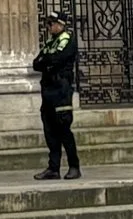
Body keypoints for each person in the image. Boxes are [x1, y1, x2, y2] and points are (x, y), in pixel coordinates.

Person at [33, 12, 81, 180]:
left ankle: (74, 166)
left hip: (61, 90)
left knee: (63, 129)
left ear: (60, 24)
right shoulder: (50, 42)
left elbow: (58, 59)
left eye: (51, 24)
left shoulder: (67, 40)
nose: (49, 27)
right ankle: (53, 168)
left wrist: (47, 61)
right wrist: (47, 61)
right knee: (50, 130)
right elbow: (36, 63)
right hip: (48, 91)